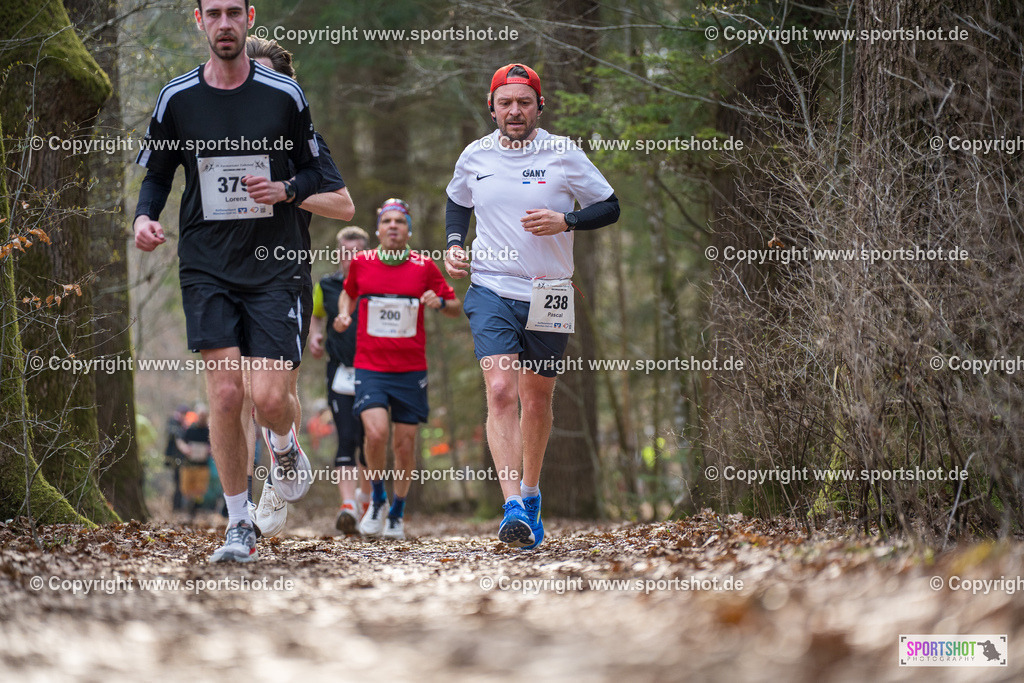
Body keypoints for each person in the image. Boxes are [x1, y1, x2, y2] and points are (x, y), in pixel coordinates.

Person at [133, 0, 324, 562]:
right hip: (206, 264)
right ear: (198, 20)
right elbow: (157, 175)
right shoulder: (178, 98)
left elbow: (319, 171)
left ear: (250, 18)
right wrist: (144, 218)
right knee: (225, 393)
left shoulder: (284, 96)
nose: (223, 23)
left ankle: (285, 447)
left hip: (273, 264)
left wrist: (287, 189)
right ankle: (238, 523)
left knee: (268, 397)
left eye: (232, 13)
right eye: (211, 13)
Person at [443, 63, 620, 549]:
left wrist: (567, 221)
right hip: (491, 287)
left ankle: (532, 492)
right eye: (506, 103)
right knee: (501, 388)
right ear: (491, 107)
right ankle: (512, 508)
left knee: (537, 398)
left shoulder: (563, 152)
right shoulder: (475, 155)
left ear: (539, 105)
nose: (514, 111)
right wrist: (455, 243)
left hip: (551, 291)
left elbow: (610, 205)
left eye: (524, 102)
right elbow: (457, 202)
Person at [239, 36, 356, 538]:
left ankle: (282, 462)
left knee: (272, 394)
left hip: (282, 271)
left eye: (267, 79)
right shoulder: (222, 133)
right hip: (227, 271)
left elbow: (344, 206)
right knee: (239, 394)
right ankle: (241, 511)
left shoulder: (301, 139)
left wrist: (288, 193)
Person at [333, 199, 462, 539]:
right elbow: (348, 294)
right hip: (370, 366)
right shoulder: (362, 263)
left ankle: (398, 513)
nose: (393, 226)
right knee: (375, 434)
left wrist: (441, 302)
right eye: (387, 221)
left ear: (408, 230)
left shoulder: (424, 266)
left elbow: (455, 306)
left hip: (410, 370)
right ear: (378, 229)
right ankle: (377, 499)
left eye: (400, 222)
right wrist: (345, 314)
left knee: (404, 446)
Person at [309, 226, 373, 534]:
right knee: (346, 436)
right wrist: (315, 335)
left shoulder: (376, 282)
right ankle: (347, 506)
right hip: (340, 370)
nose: (351, 259)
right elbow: (316, 313)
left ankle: (368, 502)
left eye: (357, 253)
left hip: (375, 369)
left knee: (370, 438)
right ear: (338, 254)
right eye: (346, 253)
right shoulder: (327, 284)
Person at [176, 405, 212, 519]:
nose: (202, 418)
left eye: (204, 416)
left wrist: (210, 449)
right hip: (188, 465)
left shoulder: (209, 431)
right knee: (186, 489)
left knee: (200, 490)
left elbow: (214, 445)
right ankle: (186, 510)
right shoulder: (190, 429)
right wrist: (185, 448)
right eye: (200, 416)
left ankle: (194, 510)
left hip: (202, 465)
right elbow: (180, 440)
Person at [165, 403, 192, 510]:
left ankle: (180, 506)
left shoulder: (184, 425)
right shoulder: (173, 422)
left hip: (183, 459)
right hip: (174, 457)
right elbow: (176, 437)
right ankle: (176, 507)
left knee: (181, 483)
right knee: (178, 482)